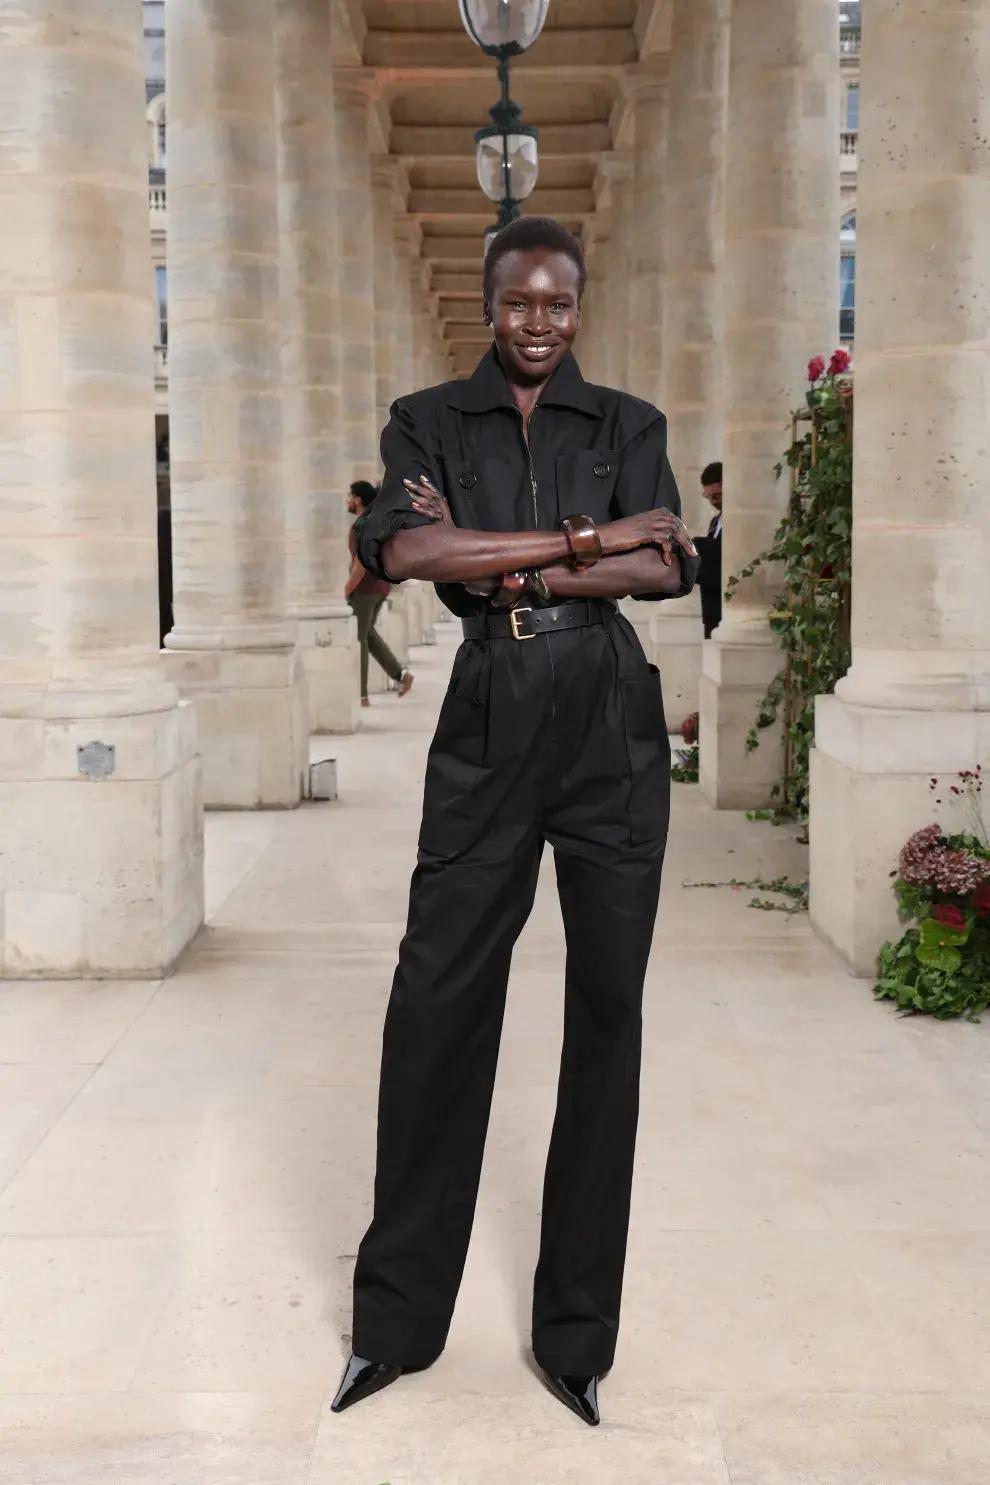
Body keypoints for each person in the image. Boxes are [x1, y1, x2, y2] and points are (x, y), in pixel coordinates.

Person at [332, 217, 699, 1429]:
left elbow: (665, 571)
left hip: (609, 721)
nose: (539, 320)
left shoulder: (628, 423)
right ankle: (394, 1327)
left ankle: (576, 1336)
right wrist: (588, 540)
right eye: (519, 302)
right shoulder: (426, 418)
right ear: (490, 306)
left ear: (577, 308)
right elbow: (405, 548)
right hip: (488, 717)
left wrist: (514, 566)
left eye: (558, 302)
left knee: (609, 1016)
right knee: (436, 1000)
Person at [345, 480, 414, 706]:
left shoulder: (359, 526)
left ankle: (361, 694)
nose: (346, 500)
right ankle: (401, 676)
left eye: (349, 495)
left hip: (364, 590)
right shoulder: (374, 521)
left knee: (360, 638)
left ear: (357, 499)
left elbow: (360, 564)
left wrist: (345, 591)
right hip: (380, 587)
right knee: (369, 635)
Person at [694, 460, 723, 639]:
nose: (713, 502)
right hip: (710, 607)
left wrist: (698, 544)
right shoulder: (716, 522)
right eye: (709, 497)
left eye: (717, 496)